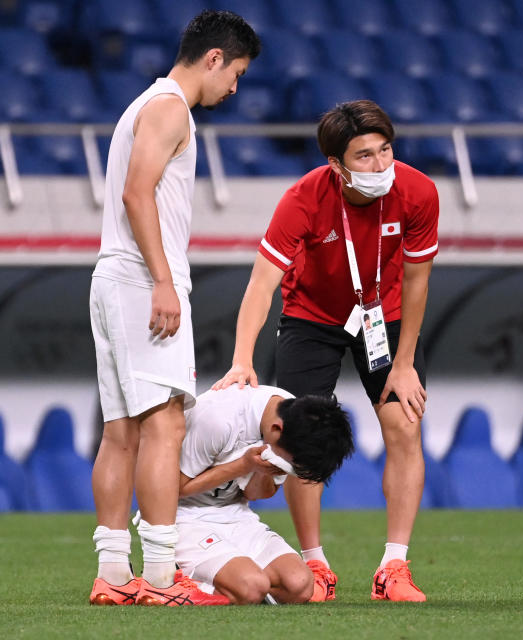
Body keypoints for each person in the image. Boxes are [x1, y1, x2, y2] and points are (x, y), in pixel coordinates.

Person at [214, 100, 438, 602]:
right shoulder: (302, 199)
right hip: (311, 317)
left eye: (386, 151)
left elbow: (420, 281)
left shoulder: (419, 191)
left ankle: (394, 569)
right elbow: (260, 285)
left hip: (387, 314)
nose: (381, 165)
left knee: (405, 423)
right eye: (365, 156)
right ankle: (315, 565)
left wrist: (404, 364)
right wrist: (242, 359)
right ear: (336, 164)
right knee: (300, 439)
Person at [88, 10, 260, 606]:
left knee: (121, 433)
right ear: (214, 58)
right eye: (235, 72)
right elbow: (140, 193)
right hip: (141, 279)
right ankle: (162, 575)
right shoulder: (169, 109)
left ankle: (112, 575)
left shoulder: (143, 105)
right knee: (166, 425)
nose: (234, 87)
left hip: (114, 276)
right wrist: (164, 280)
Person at [174, 385, 354, 605]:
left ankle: (225, 581)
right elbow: (174, 489)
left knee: (300, 585)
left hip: (237, 514)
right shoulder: (218, 418)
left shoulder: (294, 418)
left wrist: (261, 471)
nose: (286, 470)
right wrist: (243, 465)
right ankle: (175, 577)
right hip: (184, 517)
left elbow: (257, 493)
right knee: (251, 587)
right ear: (276, 429)